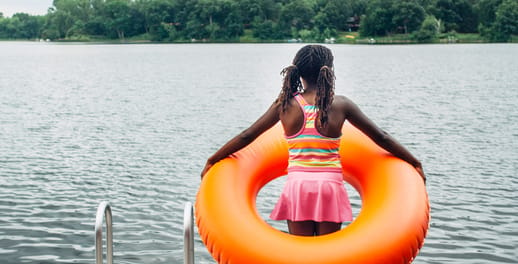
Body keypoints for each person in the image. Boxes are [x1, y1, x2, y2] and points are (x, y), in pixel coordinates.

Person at [201, 45, 425, 237]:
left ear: (298, 72)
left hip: (298, 186)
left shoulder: (285, 104)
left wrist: (213, 158)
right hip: (329, 186)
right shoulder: (341, 105)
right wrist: (414, 161)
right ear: (329, 71)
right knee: (326, 253)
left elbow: (247, 135)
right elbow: (381, 137)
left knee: (304, 253)